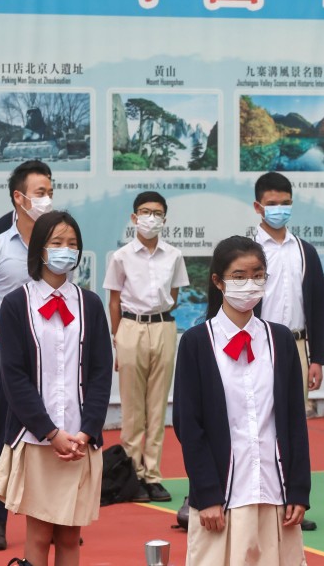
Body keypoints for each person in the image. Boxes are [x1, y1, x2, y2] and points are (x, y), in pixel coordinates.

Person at [172, 236, 310, 565]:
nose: (249, 283)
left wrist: (299, 491)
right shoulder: (196, 343)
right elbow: (189, 426)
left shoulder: (280, 340)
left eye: (258, 274)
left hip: (274, 491)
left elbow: (294, 421)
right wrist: (205, 494)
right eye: (238, 276)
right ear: (218, 281)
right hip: (223, 495)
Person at [0, 211, 113, 566]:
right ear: (39, 250)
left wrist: (87, 431)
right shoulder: (16, 303)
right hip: (38, 439)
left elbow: (101, 372)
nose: (65, 250)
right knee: (40, 534)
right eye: (57, 243)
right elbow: (14, 376)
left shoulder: (89, 303)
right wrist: (50, 432)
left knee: (71, 536)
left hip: (80, 441)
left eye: (72, 244)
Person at [0, 159, 53, 550]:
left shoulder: (59, 246)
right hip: (11, 362)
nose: (47, 198)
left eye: (50, 190)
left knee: (55, 439)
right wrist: (4, 343)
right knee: (2, 441)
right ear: (19, 198)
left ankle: (57, 518)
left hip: (55, 361)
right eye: (40, 192)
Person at [103, 191, 188, 503]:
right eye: (144, 212)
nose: (150, 217)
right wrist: (117, 338)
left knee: (156, 405)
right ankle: (131, 474)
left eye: (157, 212)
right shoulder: (121, 256)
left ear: (164, 219)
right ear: (134, 218)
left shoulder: (174, 255)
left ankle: (152, 475)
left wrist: (158, 315)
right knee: (132, 407)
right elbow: (113, 301)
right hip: (130, 327)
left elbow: (175, 294)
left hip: (164, 326)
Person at [251, 172, 324, 417]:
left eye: (285, 204)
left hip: (297, 346)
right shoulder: (245, 250)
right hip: (255, 344)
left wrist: (317, 359)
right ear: (258, 207)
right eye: (272, 204)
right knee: (257, 416)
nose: (279, 210)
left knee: (294, 421)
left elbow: (317, 308)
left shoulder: (306, 252)